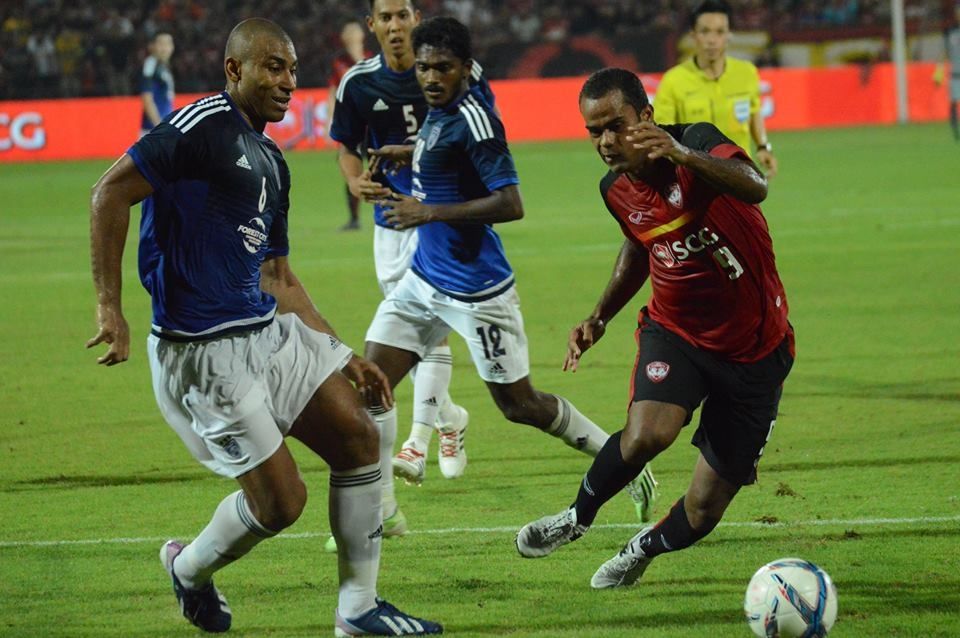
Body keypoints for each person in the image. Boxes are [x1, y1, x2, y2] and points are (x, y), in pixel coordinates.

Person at [87, 18, 441, 636]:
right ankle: (189, 568)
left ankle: (358, 612)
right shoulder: (200, 126)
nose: (287, 81)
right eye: (272, 67)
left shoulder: (273, 162)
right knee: (282, 503)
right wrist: (109, 306)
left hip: (264, 332)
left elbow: (276, 276)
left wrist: (340, 351)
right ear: (235, 70)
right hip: (202, 350)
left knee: (359, 438)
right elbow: (109, 194)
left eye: (293, 70)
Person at [363, 17, 658, 524]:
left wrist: (426, 212)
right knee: (371, 385)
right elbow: (446, 149)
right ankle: (380, 510)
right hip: (423, 279)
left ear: (463, 68)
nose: (431, 78)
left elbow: (511, 203)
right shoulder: (447, 101)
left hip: (478, 292)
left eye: (443, 68)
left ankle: (622, 459)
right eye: (424, 67)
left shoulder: (476, 118)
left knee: (519, 405)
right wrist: (410, 152)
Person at [514, 67, 795, 590]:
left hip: (757, 347)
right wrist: (599, 315)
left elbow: (755, 186)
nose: (605, 142)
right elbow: (640, 243)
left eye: (615, 126)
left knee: (705, 506)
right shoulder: (615, 188)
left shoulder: (697, 141)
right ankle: (577, 517)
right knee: (647, 434)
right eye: (594, 132)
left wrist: (686, 157)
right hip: (678, 332)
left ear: (645, 116)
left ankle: (642, 547)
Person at [329, 0, 482, 494]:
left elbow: (478, 135)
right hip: (390, 224)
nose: (395, 26)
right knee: (412, 335)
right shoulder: (358, 84)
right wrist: (354, 184)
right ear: (372, 25)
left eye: (402, 15)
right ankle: (450, 418)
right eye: (385, 17)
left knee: (427, 327)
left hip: (442, 218)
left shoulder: (453, 70)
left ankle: (416, 442)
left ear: (417, 18)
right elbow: (348, 150)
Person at [654, 0, 778, 178]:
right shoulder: (673, 81)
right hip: (695, 181)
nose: (712, 40)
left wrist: (763, 147)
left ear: (729, 35)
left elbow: (754, 112)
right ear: (693, 35)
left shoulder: (746, 73)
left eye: (719, 32)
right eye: (705, 31)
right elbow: (664, 134)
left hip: (740, 176)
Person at [327, 20, 372, 231]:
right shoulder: (338, 63)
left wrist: (357, 54)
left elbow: (371, 80)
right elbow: (333, 92)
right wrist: (330, 117)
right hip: (352, 125)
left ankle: (391, 209)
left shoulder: (370, 59)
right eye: (348, 34)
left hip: (372, 123)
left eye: (355, 34)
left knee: (380, 168)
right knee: (350, 170)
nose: (351, 37)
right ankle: (354, 218)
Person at [140, 31, 175, 136]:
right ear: (152, 46)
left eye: (168, 43)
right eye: (161, 44)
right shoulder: (150, 64)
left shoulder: (163, 67)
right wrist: (159, 127)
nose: (165, 48)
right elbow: (147, 97)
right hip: (153, 130)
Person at [934, 4, 960, 141]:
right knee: (954, 102)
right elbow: (943, 54)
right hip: (956, 75)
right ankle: (955, 131)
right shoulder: (951, 33)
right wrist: (938, 74)